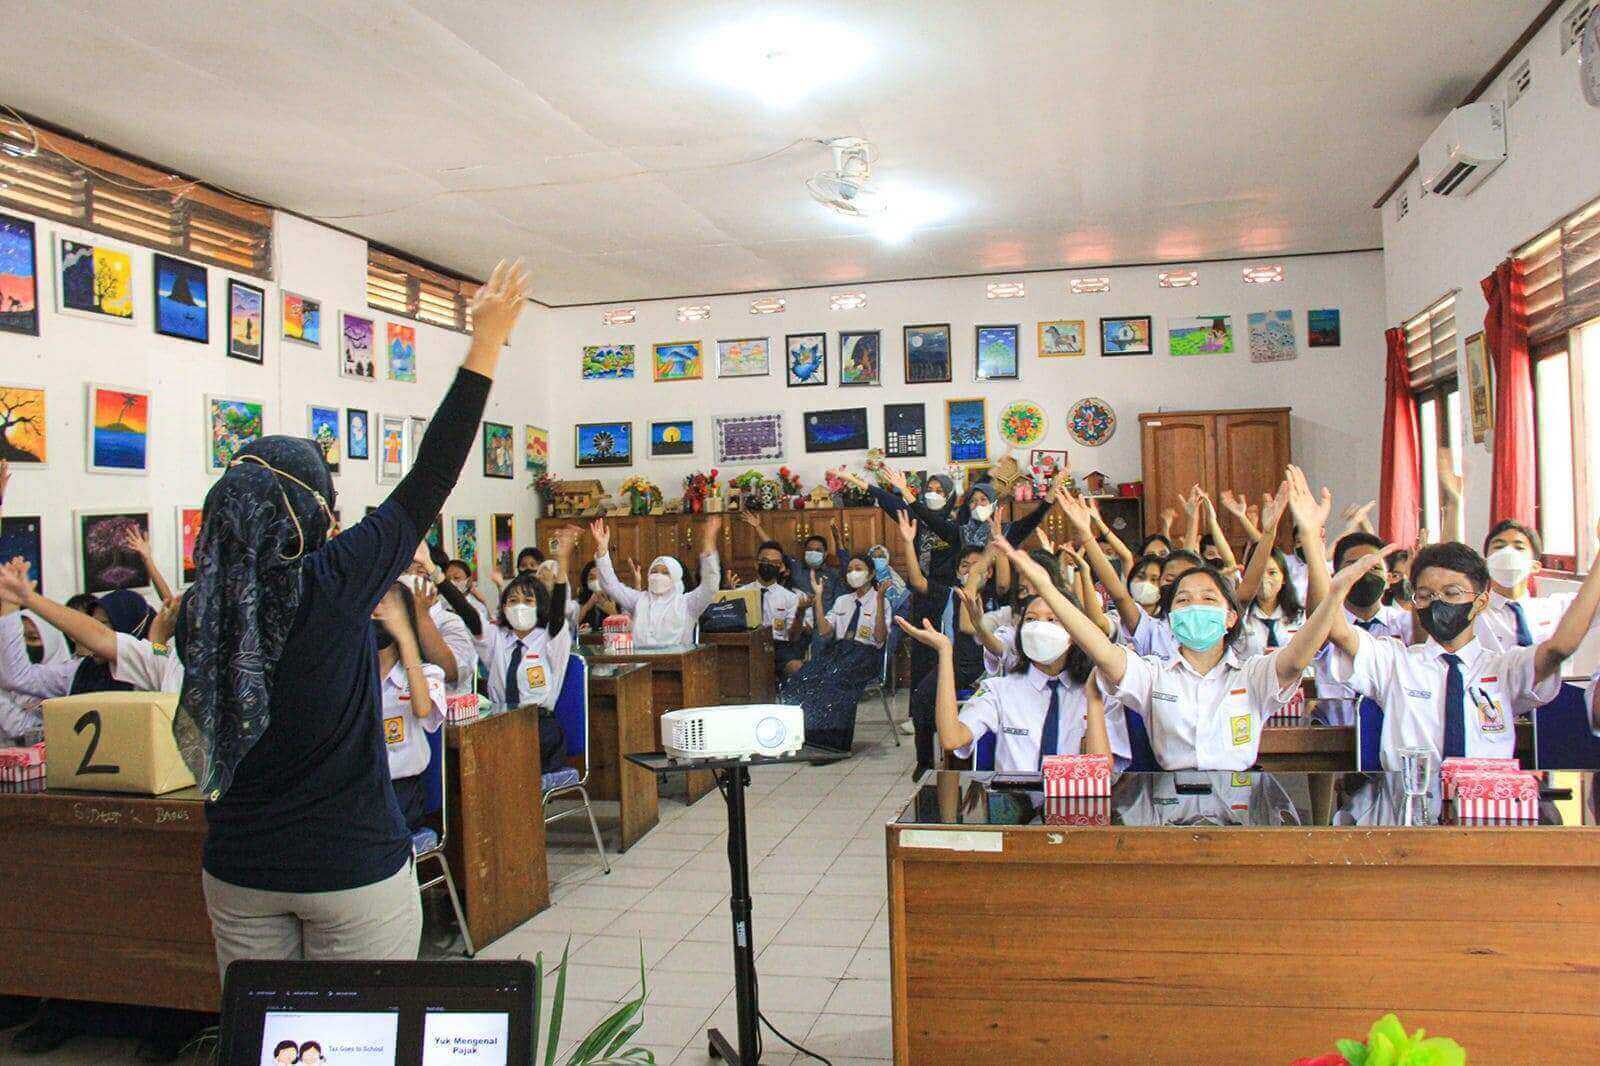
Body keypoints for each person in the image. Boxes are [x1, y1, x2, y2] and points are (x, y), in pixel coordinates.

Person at [175, 257, 532, 973]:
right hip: (348, 864)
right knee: (365, 1026)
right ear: (307, 514)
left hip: (240, 868)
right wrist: (486, 343)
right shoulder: (329, 582)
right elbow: (431, 475)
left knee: (264, 1029)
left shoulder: (197, 611)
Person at [998, 474, 1387, 771]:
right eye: (1183, 600)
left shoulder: (1253, 673)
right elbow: (1098, 646)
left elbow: (1300, 655)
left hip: (1239, 796)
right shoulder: (1153, 675)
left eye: (1208, 599)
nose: (1195, 606)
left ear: (1230, 617)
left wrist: (1319, 558)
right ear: (1170, 618)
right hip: (1170, 802)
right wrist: (1047, 588)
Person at [1330, 529, 1600, 769]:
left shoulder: (1503, 668)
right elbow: (1337, 631)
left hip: (1486, 804)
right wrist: (1331, 575)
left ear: (1480, 602)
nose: (1438, 603)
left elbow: (1559, 648)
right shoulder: (1395, 662)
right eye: (1425, 596)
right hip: (1412, 801)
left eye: (1452, 593)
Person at [899, 586, 1132, 774]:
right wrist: (944, 653)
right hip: (1016, 806)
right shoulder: (999, 690)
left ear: (1075, 632)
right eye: (1031, 620)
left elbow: (1100, 771)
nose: (1039, 628)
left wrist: (1093, 700)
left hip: (1077, 806)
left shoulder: (1101, 690)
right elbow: (952, 739)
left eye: (1053, 620)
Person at [892, 509, 988, 779]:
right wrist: (908, 542)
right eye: (965, 566)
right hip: (954, 663)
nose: (970, 571)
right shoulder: (949, 594)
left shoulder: (994, 597)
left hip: (985, 663)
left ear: (988, 573)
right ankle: (925, 761)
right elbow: (917, 581)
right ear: (957, 571)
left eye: (977, 566)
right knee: (922, 697)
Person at [780, 552, 889, 752]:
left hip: (866, 654)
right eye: (849, 570)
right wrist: (818, 597)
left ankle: (834, 744)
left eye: (858, 569)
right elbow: (824, 631)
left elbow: (880, 637)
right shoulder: (842, 601)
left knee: (833, 681)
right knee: (804, 676)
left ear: (871, 573)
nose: (853, 573)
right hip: (840, 651)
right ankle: (808, 737)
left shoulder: (881, 600)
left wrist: (880, 601)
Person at [372, 583, 445, 832]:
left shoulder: (427, 673)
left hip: (402, 793)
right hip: (363, 789)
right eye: (372, 603)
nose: (377, 611)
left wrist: (405, 638)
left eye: (385, 604)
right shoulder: (355, 675)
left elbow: (422, 708)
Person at [477, 527, 575, 713]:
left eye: (528, 601)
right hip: (500, 718)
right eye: (513, 601)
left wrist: (562, 561)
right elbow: (470, 617)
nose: (520, 607)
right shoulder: (499, 637)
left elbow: (557, 615)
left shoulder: (549, 637)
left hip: (539, 720)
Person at [591, 517, 720, 648]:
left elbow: (710, 586)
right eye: (654, 571)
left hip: (677, 660)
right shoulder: (639, 600)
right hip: (640, 659)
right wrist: (602, 551)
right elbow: (611, 586)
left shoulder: (687, 603)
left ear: (675, 578)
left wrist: (709, 546)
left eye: (665, 573)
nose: (658, 576)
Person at [1474, 520, 1572, 651]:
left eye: (1519, 548)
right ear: (1485, 564)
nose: (1508, 553)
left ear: (1535, 566)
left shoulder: (1556, 608)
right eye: (1499, 547)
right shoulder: (1473, 615)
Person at [740, 539, 807, 677]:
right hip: (746, 645)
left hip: (778, 646)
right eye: (765, 561)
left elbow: (793, 637)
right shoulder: (740, 593)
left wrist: (800, 613)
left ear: (781, 567)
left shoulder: (790, 597)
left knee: (796, 667)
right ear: (756, 563)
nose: (769, 565)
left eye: (775, 563)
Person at [573, 559, 619, 632]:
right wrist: (588, 606)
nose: (596, 581)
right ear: (585, 581)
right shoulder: (579, 601)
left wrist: (612, 612)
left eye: (600, 578)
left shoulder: (616, 598)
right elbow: (571, 624)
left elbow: (627, 625)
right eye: (592, 578)